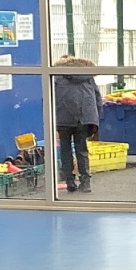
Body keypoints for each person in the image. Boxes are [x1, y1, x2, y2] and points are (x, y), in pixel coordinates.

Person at [52, 55, 101, 194]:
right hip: (83, 117)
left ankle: (69, 181)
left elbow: (49, 97)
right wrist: (94, 117)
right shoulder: (87, 76)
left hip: (63, 116)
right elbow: (97, 98)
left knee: (65, 149)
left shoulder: (56, 75)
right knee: (81, 149)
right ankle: (85, 182)